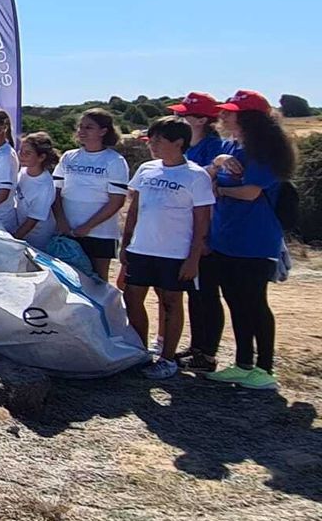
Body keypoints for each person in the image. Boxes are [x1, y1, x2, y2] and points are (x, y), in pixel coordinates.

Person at [204, 91, 294, 389]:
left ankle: (265, 369)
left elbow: (251, 192)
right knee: (234, 300)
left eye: (232, 112)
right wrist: (218, 162)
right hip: (227, 237)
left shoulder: (263, 151)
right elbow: (207, 177)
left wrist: (221, 191)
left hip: (254, 240)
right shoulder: (231, 146)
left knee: (254, 302)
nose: (224, 116)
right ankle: (243, 363)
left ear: (250, 118)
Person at [117, 116, 214, 380]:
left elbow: (202, 221)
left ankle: (167, 359)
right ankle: (139, 352)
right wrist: (126, 245)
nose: (153, 144)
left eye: (159, 139)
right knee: (132, 298)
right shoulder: (147, 169)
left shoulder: (196, 175)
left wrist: (193, 259)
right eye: (152, 138)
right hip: (141, 249)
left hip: (174, 253)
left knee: (171, 302)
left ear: (179, 142)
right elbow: (134, 209)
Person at [171, 92, 231, 368]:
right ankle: (196, 345)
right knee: (193, 293)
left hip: (206, 227)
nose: (178, 118)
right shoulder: (189, 147)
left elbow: (206, 183)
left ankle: (207, 351)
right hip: (183, 228)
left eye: (184, 115)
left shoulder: (213, 146)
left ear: (201, 119)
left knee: (206, 292)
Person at [53, 109, 130, 282]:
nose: (82, 131)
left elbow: (116, 201)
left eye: (89, 127)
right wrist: (61, 221)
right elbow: (56, 191)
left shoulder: (114, 160)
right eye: (80, 127)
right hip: (68, 231)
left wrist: (88, 226)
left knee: (98, 281)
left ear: (103, 131)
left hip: (100, 234)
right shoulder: (69, 156)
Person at [11, 132, 61, 251]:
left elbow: (32, 220)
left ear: (41, 157)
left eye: (27, 153)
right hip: (21, 228)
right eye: (21, 151)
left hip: (37, 237)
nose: (22, 155)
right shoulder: (23, 171)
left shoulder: (44, 185)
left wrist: (13, 239)